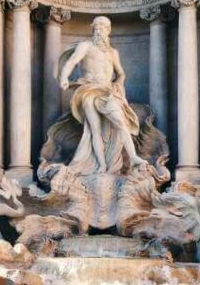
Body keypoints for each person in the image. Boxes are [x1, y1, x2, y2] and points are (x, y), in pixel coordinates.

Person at [56, 16, 149, 175]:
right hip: (88, 91)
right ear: (92, 29)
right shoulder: (85, 46)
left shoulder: (113, 53)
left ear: (108, 31)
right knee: (94, 130)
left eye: (103, 27)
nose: (99, 30)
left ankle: (133, 157)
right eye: (97, 27)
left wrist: (118, 85)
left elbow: (121, 73)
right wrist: (64, 77)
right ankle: (101, 165)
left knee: (121, 122)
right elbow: (71, 62)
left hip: (107, 91)